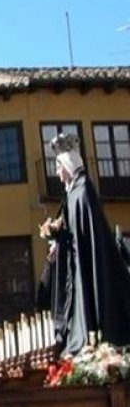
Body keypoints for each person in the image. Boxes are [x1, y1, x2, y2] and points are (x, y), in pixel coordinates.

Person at [44, 133, 130, 355]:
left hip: (86, 264)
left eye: (57, 167)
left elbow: (85, 236)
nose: (56, 173)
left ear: (67, 165)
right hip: (77, 264)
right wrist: (57, 241)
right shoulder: (73, 194)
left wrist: (61, 240)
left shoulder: (82, 192)